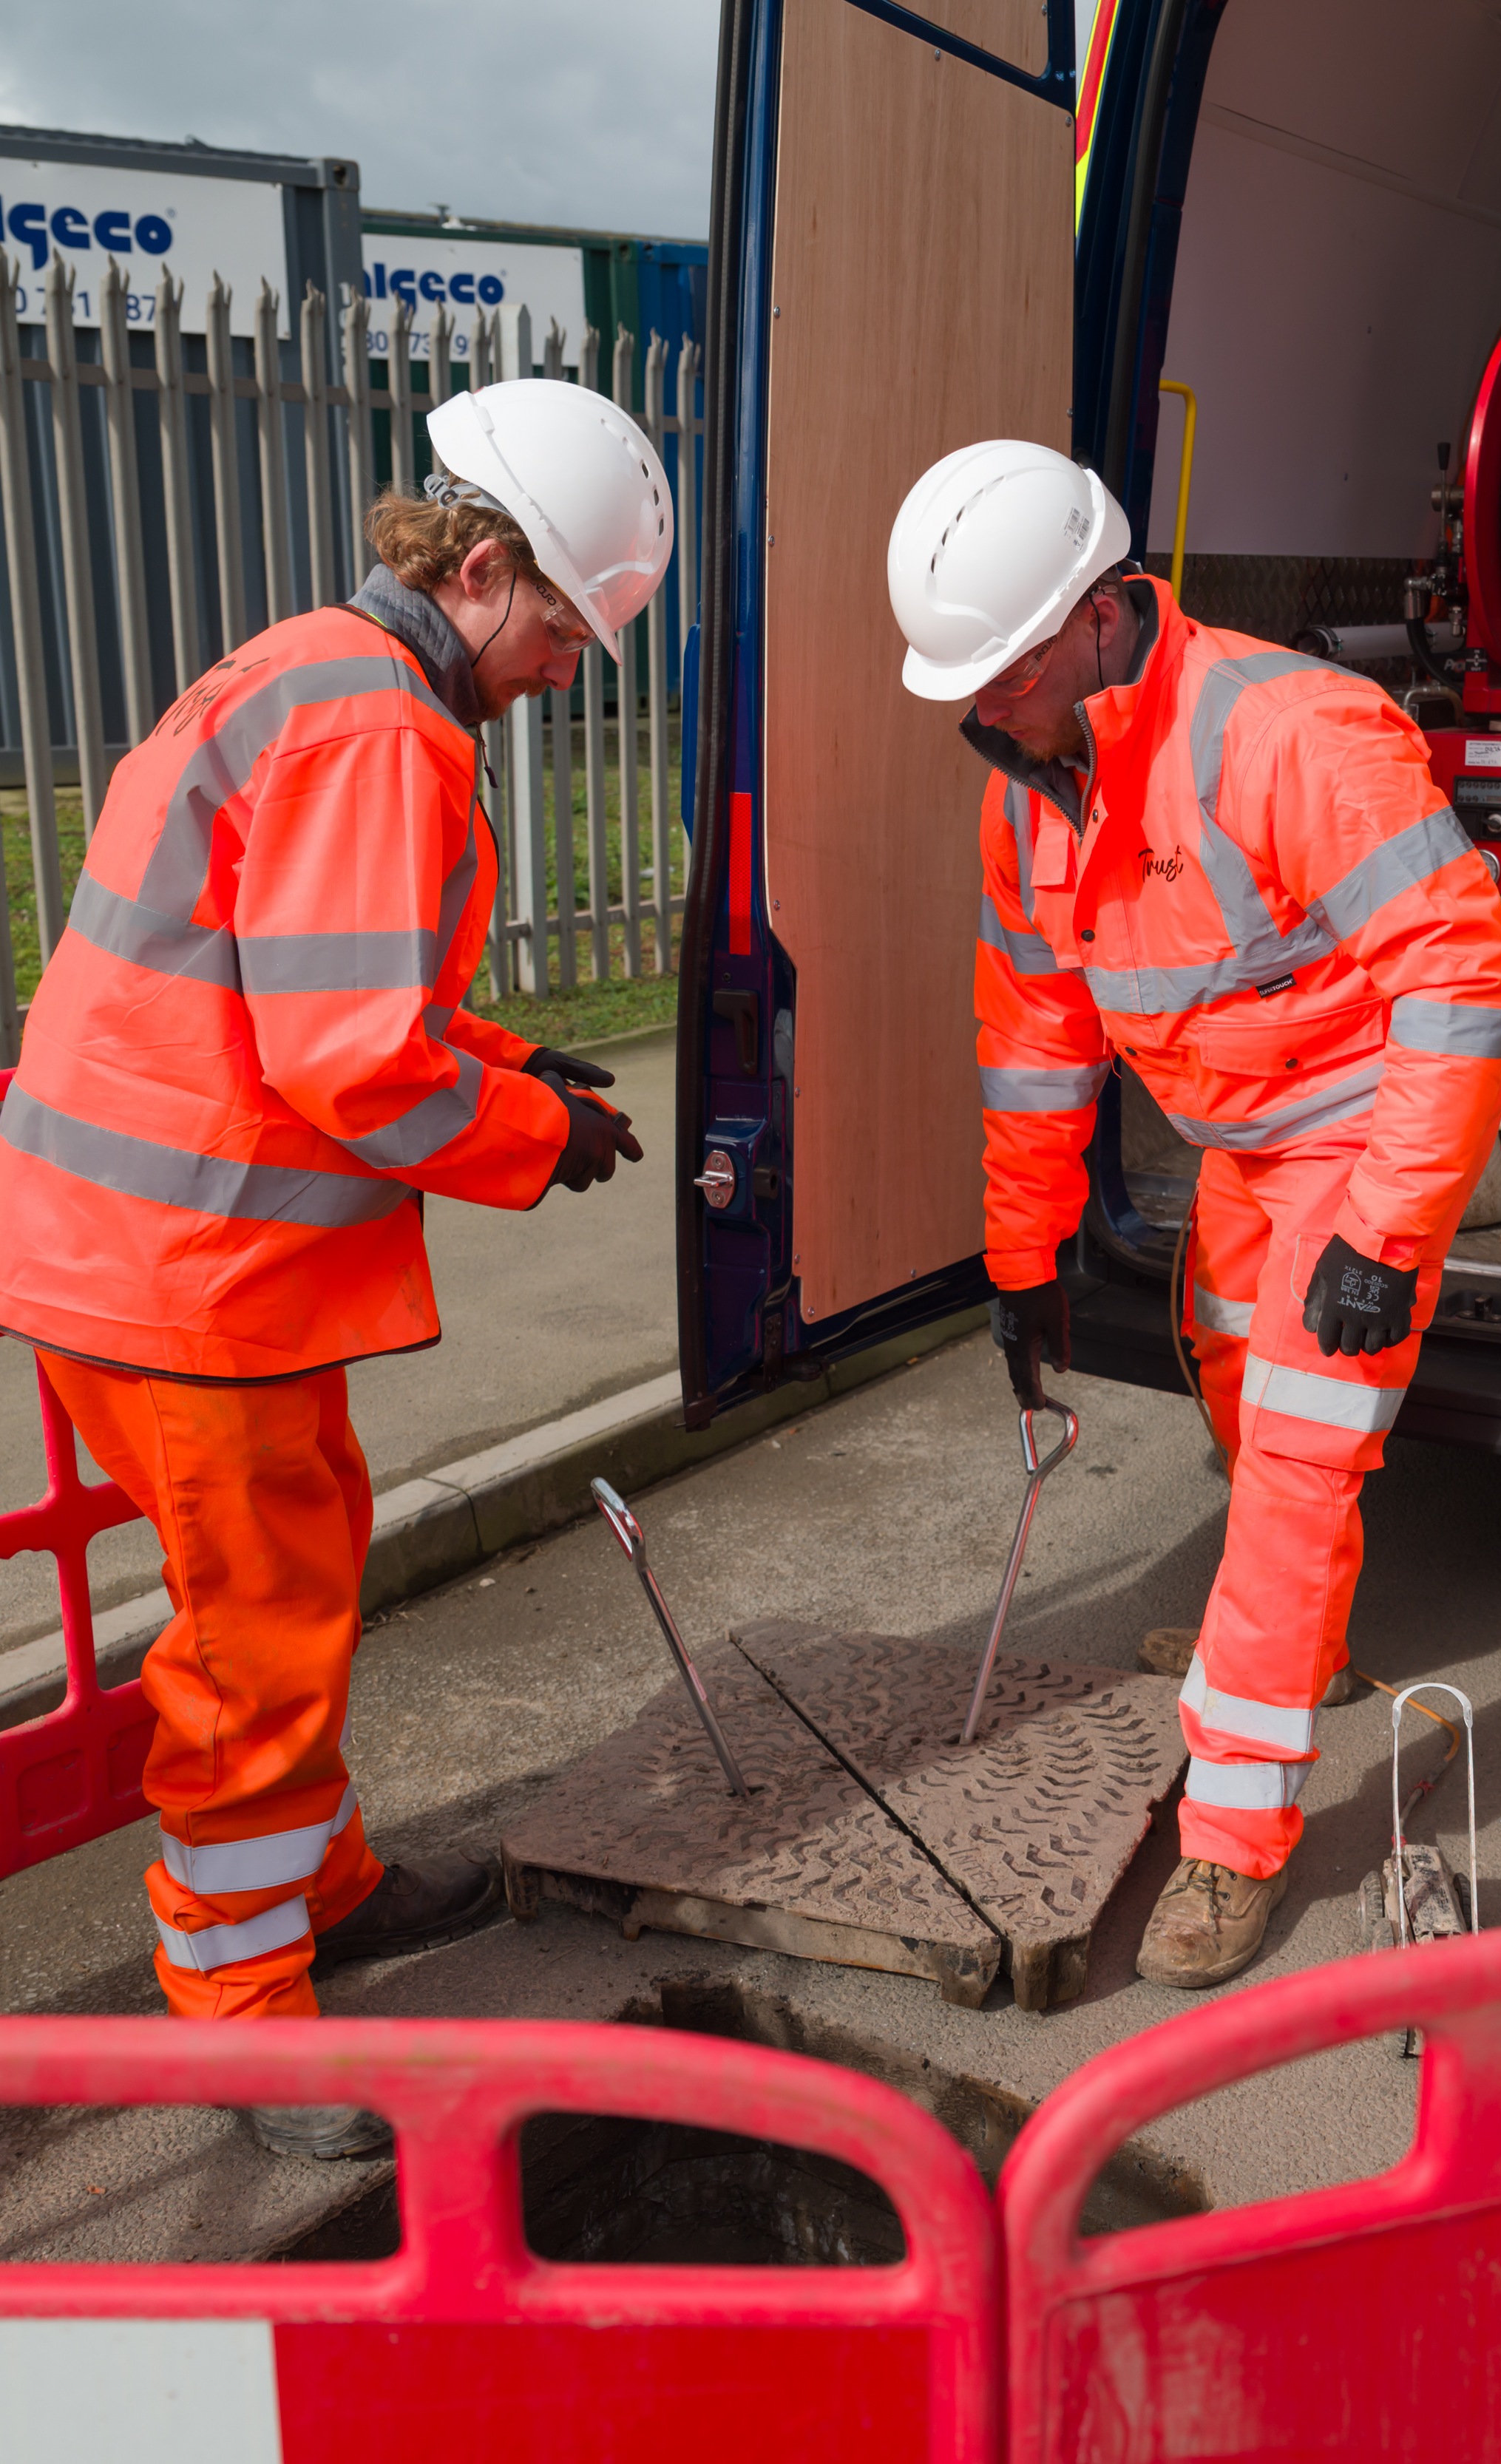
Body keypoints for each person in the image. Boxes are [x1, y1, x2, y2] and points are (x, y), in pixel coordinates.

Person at [0, 379, 670, 2149]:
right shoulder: (380, 729)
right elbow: (352, 1056)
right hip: (189, 1273)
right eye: (559, 627)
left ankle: (321, 1885)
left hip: (152, 1255)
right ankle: (238, 2018)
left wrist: (516, 1064)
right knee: (250, 1640)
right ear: (476, 565)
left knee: (287, 1590)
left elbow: (300, 977)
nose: (563, 671)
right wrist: (535, 1139)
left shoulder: (313, 669)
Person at [887, 440, 1501, 1988]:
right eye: (962, 682)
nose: (981, 709)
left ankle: (1232, 1842)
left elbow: (1456, 981)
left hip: (1363, 1140)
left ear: (1102, 617)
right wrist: (1022, 1256)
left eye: (1005, 669)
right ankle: (1289, 1646)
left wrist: (1384, 1225)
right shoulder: (1029, 798)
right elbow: (1035, 1048)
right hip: (1242, 1154)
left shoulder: (1289, 733)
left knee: (1297, 1459)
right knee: (1243, 1416)